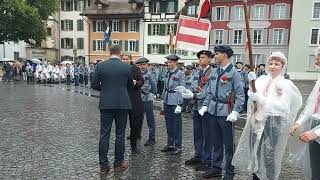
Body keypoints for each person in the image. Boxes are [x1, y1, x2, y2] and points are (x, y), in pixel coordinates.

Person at [232, 52, 302, 180]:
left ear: (283, 66)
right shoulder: (261, 79)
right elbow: (253, 96)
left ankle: (269, 177)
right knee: (255, 151)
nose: (273, 66)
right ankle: (256, 176)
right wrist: (251, 84)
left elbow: (283, 107)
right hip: (257, 119)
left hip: (273, 121)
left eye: (277, 64)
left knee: (269, 153)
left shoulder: (286, 84)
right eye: (270, 63)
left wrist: (262, 100)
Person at [199, 45, 245, 179]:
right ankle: (216, 167)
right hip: (213, 111)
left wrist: (235, 112)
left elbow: (240, 95)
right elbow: (209, 92)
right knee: (216, 142)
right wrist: (205, 106)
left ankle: (230, 172)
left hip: (226, 112)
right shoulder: (215, 72)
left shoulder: (234, 73)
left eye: (217, 54)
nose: (215, 56)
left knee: (229, 144)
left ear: (225, 55)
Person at [91, 45, 133, 175]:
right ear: (120, 53)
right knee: (120, 135)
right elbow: (130, 86)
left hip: (106, 104)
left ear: (110, 52)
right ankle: (118, 164)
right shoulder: (126, 67)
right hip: (122, 104)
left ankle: (103, 166)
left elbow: (93, 85)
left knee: (104, 135)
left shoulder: (101, 66)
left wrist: (105, 90)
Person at [176, 50, 216, 171]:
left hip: (206, 107)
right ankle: (198, 156)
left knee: (207, 135)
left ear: (210, 59)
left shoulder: (212, 73)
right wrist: (187, 91)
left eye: (203, 58)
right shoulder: (196, 72)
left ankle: (208, 159)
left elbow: (209, 92)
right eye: (199, 58)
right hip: (196, 106)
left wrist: (194, 95)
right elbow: (193, 87)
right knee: (197, 133)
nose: (200, 60)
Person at [289, 46, 320, 180]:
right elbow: (311, 105)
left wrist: (316, 132)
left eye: (318, 58)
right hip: (315, 124)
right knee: (316, 168)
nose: (316, 62)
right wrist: (299, 122)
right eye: (316, 57)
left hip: (317, 130)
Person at [161, 54, 185, 155]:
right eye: (168, 62)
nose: (168, 64)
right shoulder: (167, 72)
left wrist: (180, 104)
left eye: (170, 62)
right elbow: (165, 87)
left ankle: (178, 146)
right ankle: (170, 144)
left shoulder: (180, 74)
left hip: (175, 100)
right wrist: (163, 98)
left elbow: (182, 89)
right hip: (167, 99)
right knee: (169, 124)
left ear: (175, 62)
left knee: (176, 125)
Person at [121, 52, 144, 152]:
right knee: (121, 123)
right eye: (124, 59)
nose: (125, 60)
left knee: (134, 123)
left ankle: (133, 145)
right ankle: (120, 146)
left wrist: (136, 83)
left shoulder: (136, 69)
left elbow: (141, 81)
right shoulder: (119, 68)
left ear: (130, 59)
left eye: (127, 59)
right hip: (121, 99)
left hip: (134, 99)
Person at [136, 57, 157, 147]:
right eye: (140, 65)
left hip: (147, 99)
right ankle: (137, 134)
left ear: (147, 65)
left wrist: (152, 95)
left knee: (150, 119)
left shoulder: (150, 74)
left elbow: (154, 86)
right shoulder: (137, 74)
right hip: (139, 98)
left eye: (144, 64)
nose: (142, 66)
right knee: (138, 118)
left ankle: (152, 138)